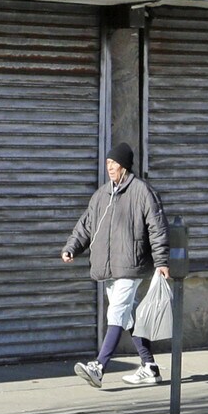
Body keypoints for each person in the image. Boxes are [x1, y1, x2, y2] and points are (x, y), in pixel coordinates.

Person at [61, 142, 169, 389]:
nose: (110, 168)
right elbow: (86, 226)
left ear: (125, 166)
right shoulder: (101, 195)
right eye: (108, 163)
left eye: (115, 164)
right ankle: (150, 367)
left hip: (131, 264)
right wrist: (71, 247)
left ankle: (99, 366)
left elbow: (158, 228)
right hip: (110, 266)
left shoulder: (142, 192)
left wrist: (162, 261)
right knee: (128, 315)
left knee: (117, 311)